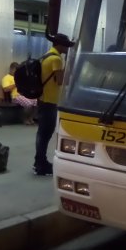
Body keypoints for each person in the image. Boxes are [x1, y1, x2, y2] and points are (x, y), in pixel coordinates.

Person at [33, 33, 75, 176]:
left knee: (42, 133)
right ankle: (40, 164)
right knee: (45, 134)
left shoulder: (46, 56)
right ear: (59, 45)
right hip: (50, 101)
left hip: (43, 99)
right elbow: (61, 81)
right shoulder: (56, 59)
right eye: (66, 46)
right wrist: (70, 69)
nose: (67, 49)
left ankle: (39, 162)